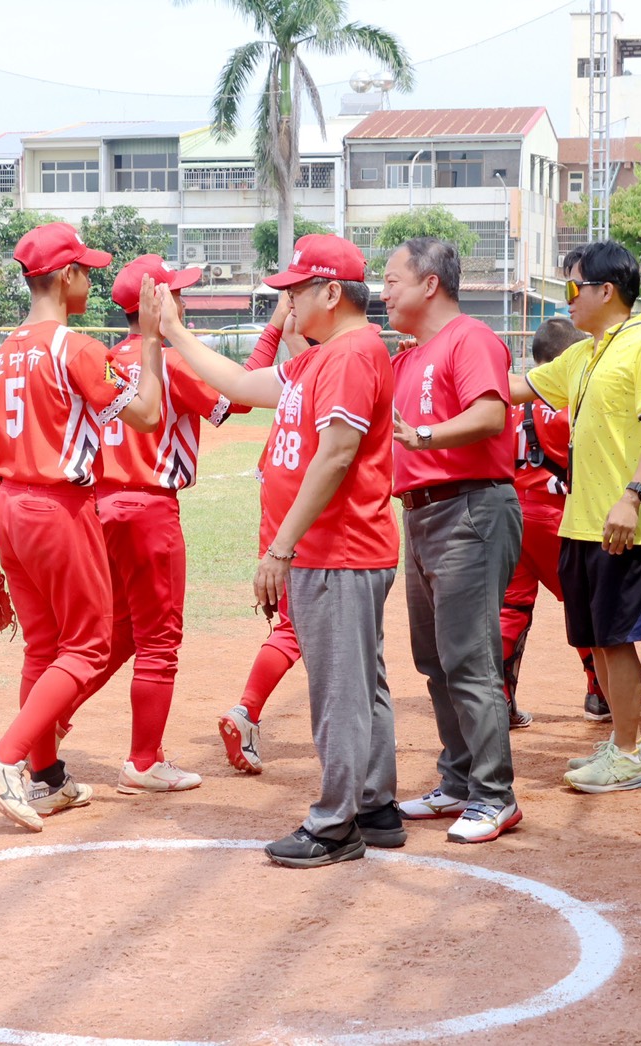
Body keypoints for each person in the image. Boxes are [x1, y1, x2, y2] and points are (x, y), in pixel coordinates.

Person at [159, 234, 400, 868]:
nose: (285, 301)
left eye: (296, 288)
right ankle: (374, 805)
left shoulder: (351, 354)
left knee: (340, 692)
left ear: (331, 292)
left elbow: (338, 453)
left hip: (339, 548)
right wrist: (178, 335)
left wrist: (282, 547)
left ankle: (336, 824)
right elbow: (238, 382)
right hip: (337, 549)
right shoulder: (318, 358)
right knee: (362, 685)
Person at [0, 223, 166, 832]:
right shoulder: (74, 347)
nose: (92, 281)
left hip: (11, 506)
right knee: (87, 645)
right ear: (67, 277)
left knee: (44, 646)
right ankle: (5, 757)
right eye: (86, 271)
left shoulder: (3, 353)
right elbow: (149, 415)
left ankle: (48, 777)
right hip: (57, 507)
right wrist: (151, 343)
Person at [508, 240, 641, 794]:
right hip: (580, 522)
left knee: (618, 638)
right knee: (600, 638)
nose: (569, 299)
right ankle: (625, 743)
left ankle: (628, 752)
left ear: (608, 290)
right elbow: (514, 387)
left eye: (574, 287)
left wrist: (632, 496)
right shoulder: (583, 354)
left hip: (622, 521)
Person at [55, 253, 226, 794]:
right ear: (155, 304)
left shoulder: (104, 358)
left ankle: (52, 718)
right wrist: (271, 333)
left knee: (116, 633)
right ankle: (145, 761)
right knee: (159, 639)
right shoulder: (169, 363)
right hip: (150, 510)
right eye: (176, 293)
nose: (184, 300)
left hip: (100, 509)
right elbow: (236, 401)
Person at [378, 238, 522, 844]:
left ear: (429, 283)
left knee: (470, 659)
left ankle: (496, 795)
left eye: (392, 279)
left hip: (470, 508)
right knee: (435, 660)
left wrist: (425, 436)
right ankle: (460, 780)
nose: (383, 292)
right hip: (424, 515)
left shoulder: (470, 339)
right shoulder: (409, 357)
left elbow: (490, 414)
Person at [217, 292, 314, 774]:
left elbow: (295, 341)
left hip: (275, 500)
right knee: (302, 629)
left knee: (299, 625)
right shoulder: (326, 370)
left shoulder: (300, 373)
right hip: (302, 512)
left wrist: (285, 319)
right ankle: (246, 710)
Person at [497, 316, 605, 728]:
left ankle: (501, 702)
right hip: (555, 516)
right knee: (586, 604)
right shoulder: (567, 401)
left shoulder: (508, 400)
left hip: (511, 514)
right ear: (566, 359)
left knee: (511, 608)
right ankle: (600, 694)